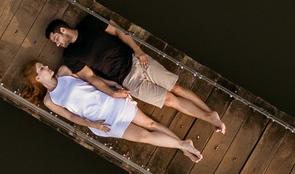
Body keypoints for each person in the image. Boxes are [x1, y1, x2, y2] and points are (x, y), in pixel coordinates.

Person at [45, 16, 226, 133]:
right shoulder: (70, 56)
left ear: (62, 30)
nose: (58, 44)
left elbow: (117, 30)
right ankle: (210, 118)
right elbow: (91, 77)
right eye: (55, 43)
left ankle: (212, 113)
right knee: (170, 100)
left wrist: (138, 50)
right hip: (127, 81)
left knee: (177, 88)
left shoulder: (89, 22)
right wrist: (113, 93)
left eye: (56, 39)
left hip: (137, 60)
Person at [21, 61, 203, 162]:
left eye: (43, 64)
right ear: (37, 78)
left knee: (151, 124)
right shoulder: (50, 100)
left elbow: (92, 78)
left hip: (111, 102)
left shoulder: (64, 71)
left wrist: (112, 86)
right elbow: (70, 116)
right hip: (102, 122)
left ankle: (183, 146)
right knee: (144, 137)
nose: (46, 66)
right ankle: (183, 145)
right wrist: (92, 124)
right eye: (41, 68)